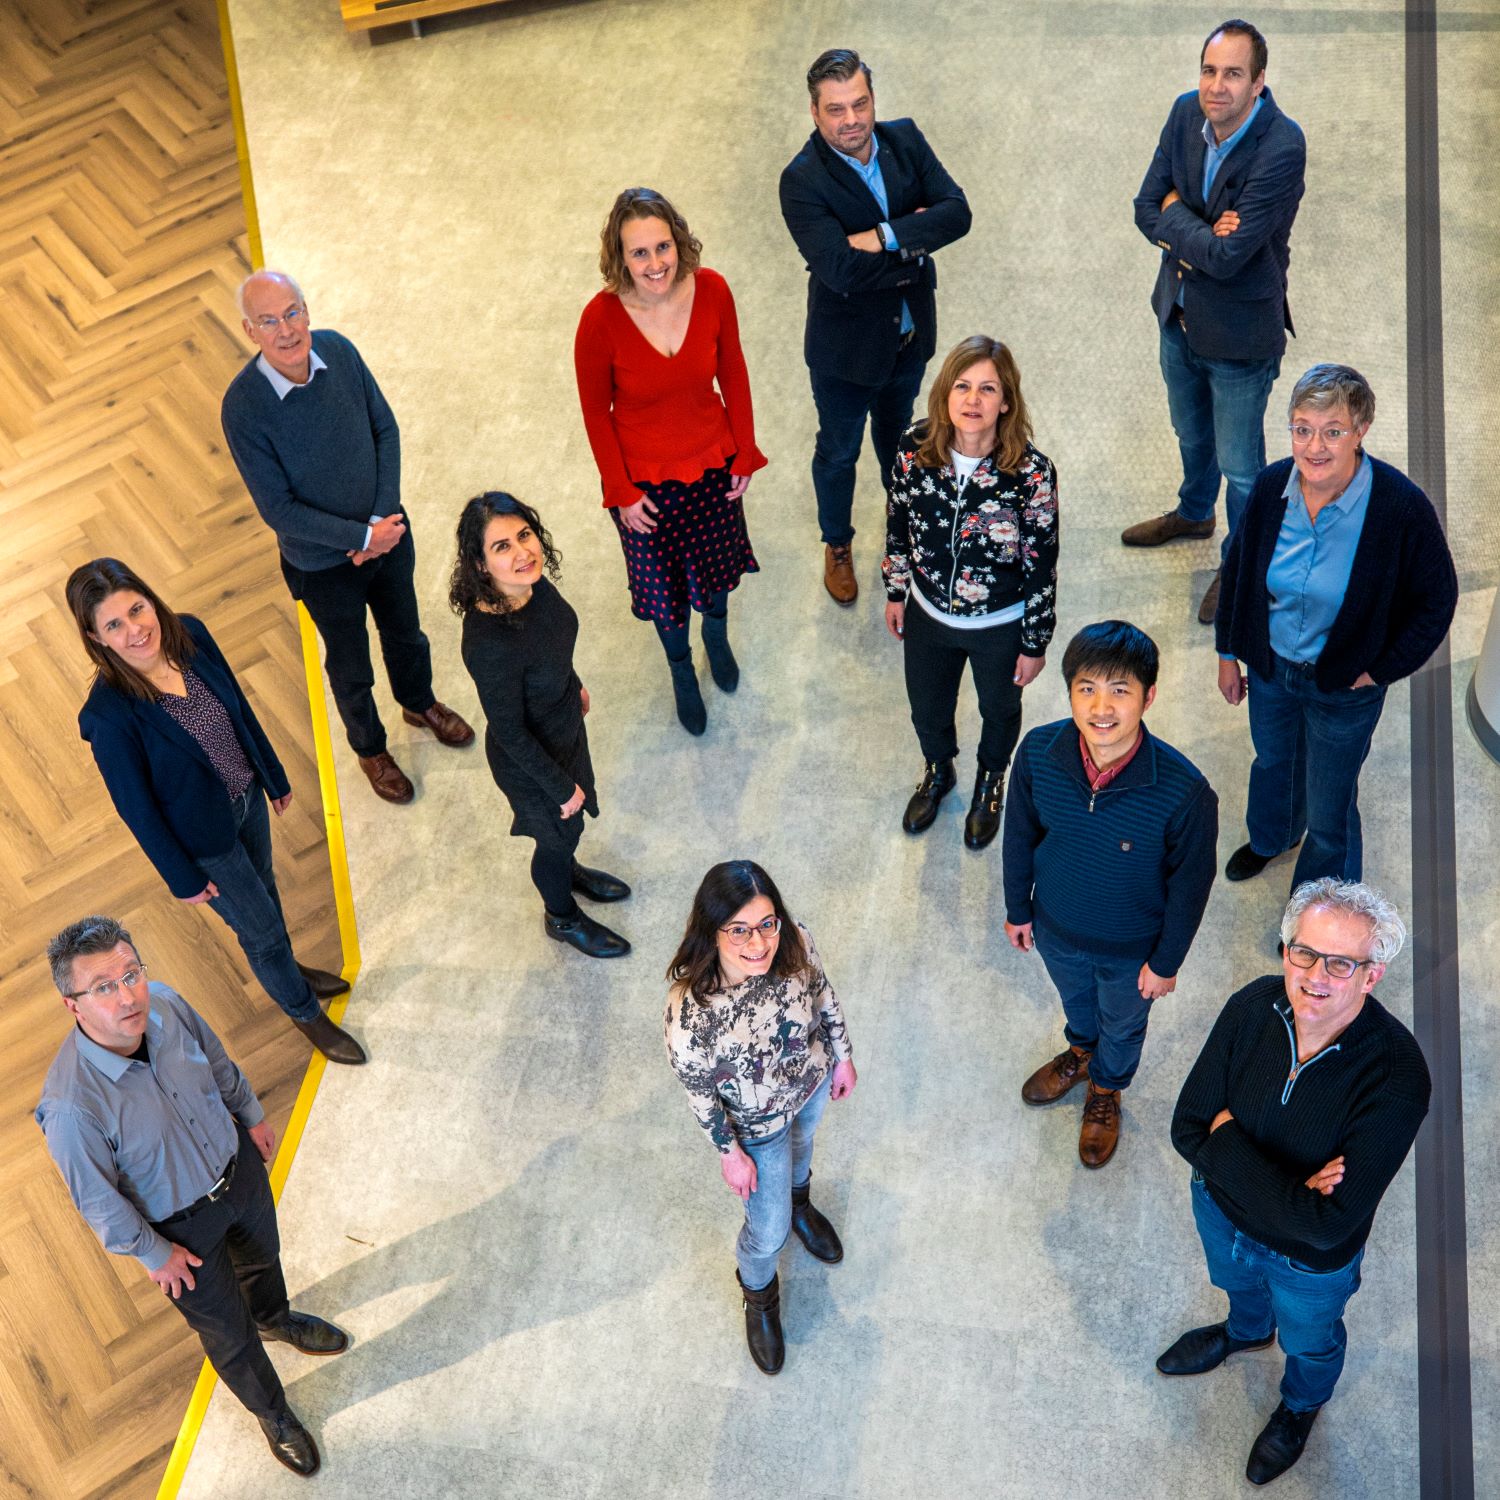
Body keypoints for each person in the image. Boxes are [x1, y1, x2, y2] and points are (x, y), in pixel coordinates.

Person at [36, 916, 351, 1478]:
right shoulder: (69, 1107)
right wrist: (155, 1254)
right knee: (227, 1332)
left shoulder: (165, 1002)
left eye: (131, 973)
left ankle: (276, 1319)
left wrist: (250, 1116)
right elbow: (98, 1201)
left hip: (238, 1170)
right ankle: (274, 1415)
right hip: (178, 1227)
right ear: (72, 1004)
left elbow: (216, 1057)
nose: (128, 995)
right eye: (103, 987)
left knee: (263, 1259)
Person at [1161, 879, 1430, 1485]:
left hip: (1309, 1263)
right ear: (1286, 951)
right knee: (1236, 1286)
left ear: (1372, 976)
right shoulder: (1254, 1005)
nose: (1316, 975)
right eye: (1303, 952)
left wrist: (1225, 1142)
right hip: (1220, 1213)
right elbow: (1186, 1128)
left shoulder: (1398, 1076)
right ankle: (1247, 1333)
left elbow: (1327, 1222)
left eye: (1341, 963)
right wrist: (1292, 1188)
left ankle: (1300, 1405)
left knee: (1310, 1342)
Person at [66, 558, 364, 1064]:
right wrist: (182, 878)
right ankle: (303, 1010)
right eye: (114, 625)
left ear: (150, 599)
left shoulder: (191, 635)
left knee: (267, 892)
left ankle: (290, 969)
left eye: (138, 609)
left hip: (246, 798)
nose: (136, 630)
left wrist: (271, 775)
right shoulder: (107, 718)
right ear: (96, 638)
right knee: (261, 933)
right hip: (204, 842)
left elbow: (239, 710)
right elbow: (137, 811)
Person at [221, 269, 473, 804]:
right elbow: (278, 509)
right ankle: (370, 749)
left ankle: (418, 701)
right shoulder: (243, 408)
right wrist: (360, 536)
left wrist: (381, 526)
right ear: (250, 331)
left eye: (292, 312)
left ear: (306, 311)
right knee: (350, 663)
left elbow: (386, 428)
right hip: (323, 565)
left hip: (389, 533)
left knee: (407, 633)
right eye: (269, 321)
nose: (286, 330)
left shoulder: (339, 350)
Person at [1215, 363, 1458, 888]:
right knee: (1273, 762)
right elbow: (1238, 570)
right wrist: (1228, 652)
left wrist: (1380, 670)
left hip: (1347, 685)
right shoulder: (1270, 486)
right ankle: (1273, 838)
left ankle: (1318, 908)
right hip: (1272, 668)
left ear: (1361, 430)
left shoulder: (1400, 507)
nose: (1313, 447)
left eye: (1332, 431)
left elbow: (1437, 600)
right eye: (1302, 428)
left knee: (1330, 807)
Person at [1004, 622, 1218, 1167]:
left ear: (1149, 695)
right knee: (1076, 1003)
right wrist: (1017, 908)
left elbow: (1190, 890)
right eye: (1087, 688)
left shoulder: (1184, 793)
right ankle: (1080, 1050)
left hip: (1132, 953)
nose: (1102, 707)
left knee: (1122, 1023)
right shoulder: (1038, 753)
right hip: (1055, 928)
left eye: (1120, 690)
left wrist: (1166, 963)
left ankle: (1106, 1087)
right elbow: (1021, 834)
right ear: (1069, 691)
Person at [1125, 19, 1306, 624]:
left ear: (1259, 82)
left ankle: (1241, 561)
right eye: (1209, 71)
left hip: (1238, 339)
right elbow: (1144, 206)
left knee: (1243, 468)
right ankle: (1195, 512)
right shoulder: (1184, 115)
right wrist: (1198, 225)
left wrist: (1179, 216)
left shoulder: (1282, 146)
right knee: (1191, 435)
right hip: (1176, 316)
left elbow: (1230, 259)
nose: (1217, 86)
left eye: (1233, 74)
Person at [780, 47, 971, 605]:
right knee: (839, 452)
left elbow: (957, 212)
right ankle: (837, 543)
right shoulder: (801, 180)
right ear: (815, 113)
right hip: (844, 353)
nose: (852, 120)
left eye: (859, 104)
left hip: (908, 338)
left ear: (872, 98)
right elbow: (838, 270)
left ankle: (905, 525)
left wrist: (884, 236)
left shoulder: (905, 139)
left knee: (898, 440)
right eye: (835, 110)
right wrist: (914, 240)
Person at [574, 189, 766, 736]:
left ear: (679, 240)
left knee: (717, 570)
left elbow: (733, 371)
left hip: (712, 462)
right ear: (619, 257)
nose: (655, 264)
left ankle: (717, 636)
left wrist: (744, 450)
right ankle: (681, 668)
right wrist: (621, 491)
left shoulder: (712, 290)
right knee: (665, 592)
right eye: (640, 253)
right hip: (643, 487)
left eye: (663, 247)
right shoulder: (600, 320)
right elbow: (595, 414)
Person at [664, 861, 856, 1375]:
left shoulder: (794, 940)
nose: (759, 944)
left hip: (810, 1082)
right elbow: (700, 1093)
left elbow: (823, 992)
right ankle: (759, 1297)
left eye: (766, 923)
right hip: (756, 1126)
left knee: (805, 1148)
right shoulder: (690, 1011)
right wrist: (729, 1154)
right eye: (740, 930)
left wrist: (843, 1055)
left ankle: (801, 1203)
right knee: (766, 1231)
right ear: (713, 931)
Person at [882, 334, 1058, 848]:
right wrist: (896, 590)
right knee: (927, 706)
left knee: (999, 710)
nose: (973, 400)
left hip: (999, 625)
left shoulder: (1030, 473)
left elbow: (1041, 561)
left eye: (987, 389)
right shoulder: (914, 451)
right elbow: (897, 524)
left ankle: (990, 782)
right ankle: (939, 770)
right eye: (962, 386)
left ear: (1006, 402)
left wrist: (1035, 641)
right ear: (945, 393)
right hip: (928, 613)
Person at [451, 492, 630, 959]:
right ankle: (561, 916)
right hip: (532, 764)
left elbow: (554, 647)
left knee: (569, 833)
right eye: (502, 547)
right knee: (553, 841)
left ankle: (571, 868)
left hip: (565, 726)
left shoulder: (532, 588)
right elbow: (510, 733)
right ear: (480, 563)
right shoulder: (488, 644)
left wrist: (575, 684)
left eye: (524, 535)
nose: (523, 553)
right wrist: (560, 788)